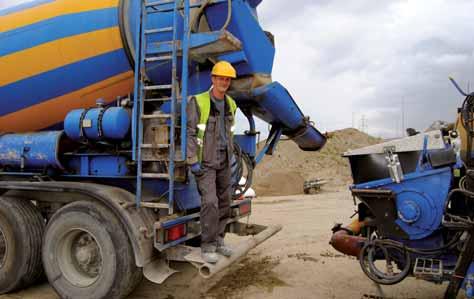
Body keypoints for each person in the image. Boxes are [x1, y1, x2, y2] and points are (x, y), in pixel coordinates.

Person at [186, 61, 238, 264]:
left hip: (224, 161)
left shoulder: (231, 104)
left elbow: (230, 132)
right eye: (221, 78)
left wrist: (232, 157)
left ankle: (219, 240)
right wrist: (192, 160)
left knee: (225, 202)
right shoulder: (198, 102)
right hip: (205, 163)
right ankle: (207, 246)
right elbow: (190, 133)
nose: (224, 82)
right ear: (213, 79)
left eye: (227, 79)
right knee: (210, 203)